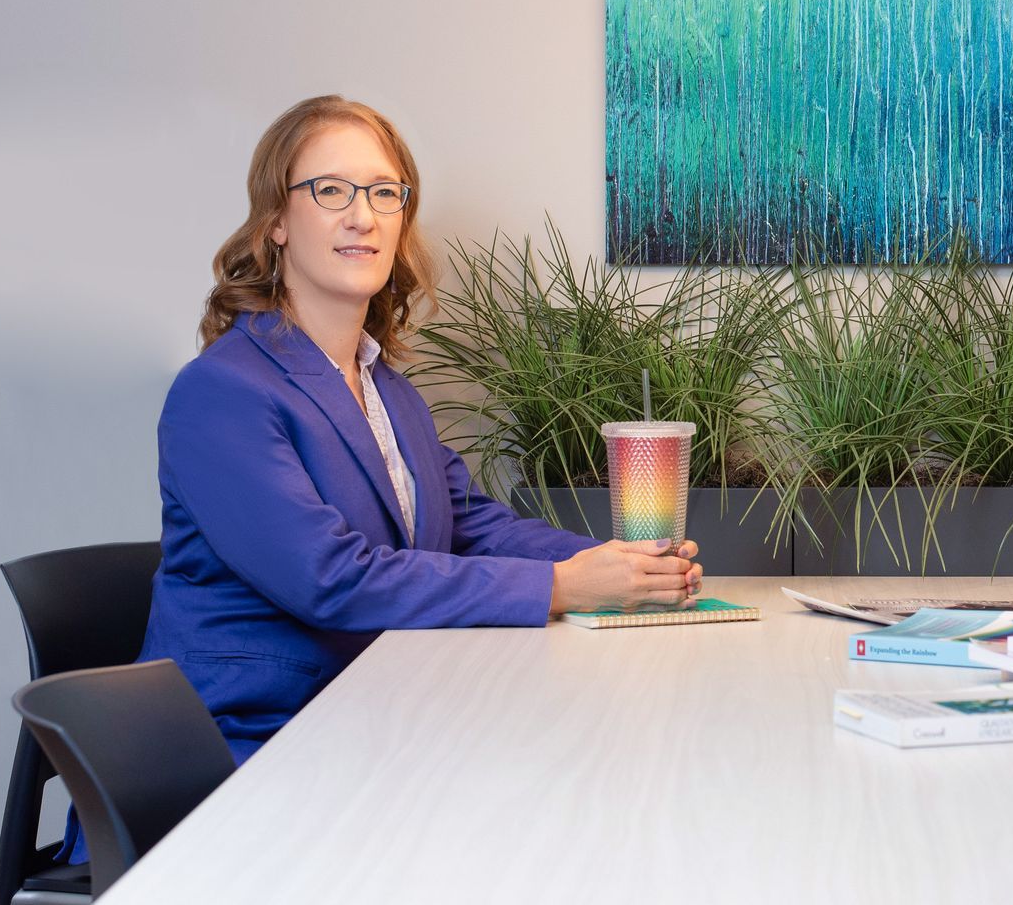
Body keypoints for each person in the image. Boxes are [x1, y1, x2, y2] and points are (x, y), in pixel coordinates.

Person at [135, 94, 704, 762]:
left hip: (376, 721)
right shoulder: (223, 391)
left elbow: (468, 523)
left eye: (384, 192)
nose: (363, 215)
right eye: (331, 190)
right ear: (277, 221)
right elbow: (332, 579)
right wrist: (561, 587)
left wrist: (620, 564)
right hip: (245, 753)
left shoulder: (390, 393)